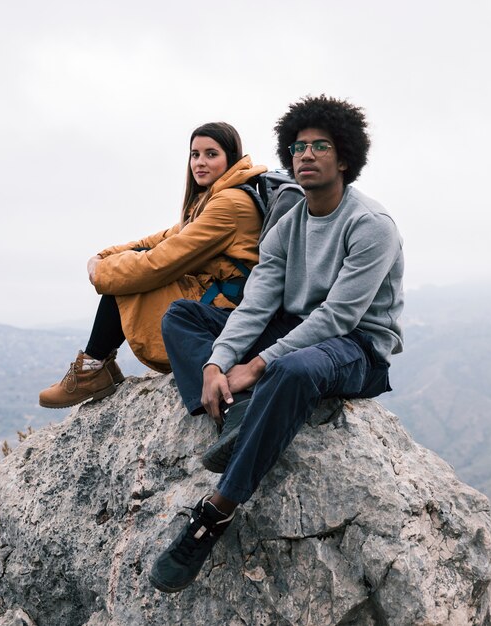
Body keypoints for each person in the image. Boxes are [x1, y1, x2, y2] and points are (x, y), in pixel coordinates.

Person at [148, 95, 405, 593]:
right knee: (182, 315)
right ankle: (240, 415)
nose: (305, 155)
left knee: (294, 370)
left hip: (358, 346)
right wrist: (217, 363)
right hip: (295, 326)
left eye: (320, 146)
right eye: (298, 146)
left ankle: (215, 514)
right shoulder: (289, 225)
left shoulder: (370, 226)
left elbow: (340, 316)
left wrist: (259, 364)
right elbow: (257, 304)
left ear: (345, 157)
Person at [39, 122, 267, 409]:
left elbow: (161, 262)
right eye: (195, 154)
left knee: (128, 281)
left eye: (211, 154)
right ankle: (99, 367)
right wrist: (105, 256)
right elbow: (161, 239)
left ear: (231, 157)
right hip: (215, 298)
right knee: (125, 271)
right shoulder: (211, 197)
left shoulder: (230, 203)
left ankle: (92, 371)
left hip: (226, 312)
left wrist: (105, 272)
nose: (200, 162)